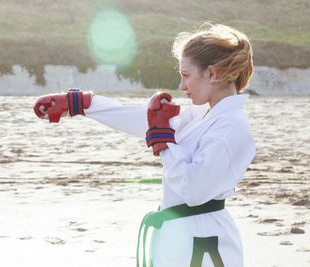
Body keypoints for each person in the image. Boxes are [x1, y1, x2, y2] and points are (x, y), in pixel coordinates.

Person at [33, 23, 255, 267]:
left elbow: (193, 191)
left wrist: (165, 144)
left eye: (186, 75)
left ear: (211, 74)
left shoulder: (230, 126)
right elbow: (147, 121)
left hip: (202, 245)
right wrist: (83, 104)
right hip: (184, 236)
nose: (181, 86)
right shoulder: (205, 114)